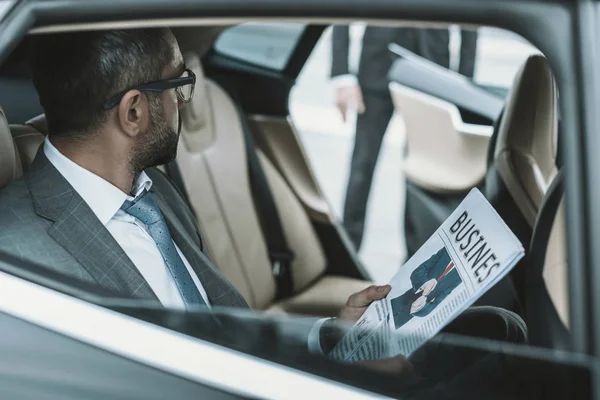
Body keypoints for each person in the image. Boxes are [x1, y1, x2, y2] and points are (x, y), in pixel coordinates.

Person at [0, 28, 391, 353]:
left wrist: (328, 336)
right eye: (180, 84)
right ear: (133, 112)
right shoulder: (19, 257)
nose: (184, 104)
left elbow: (223, 327)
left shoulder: (153, 193)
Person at [331, 25, 478, 250]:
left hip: (431, 71)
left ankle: (414, 261)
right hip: (377, 64)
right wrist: (342, 75)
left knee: (423, 170)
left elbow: (471, 15)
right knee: (362, 163)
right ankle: (348, 249)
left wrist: (464, 81)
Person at [390, 248, 461, 329]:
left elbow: (443, 296)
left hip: (403, 319)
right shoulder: (446, 251)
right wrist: (423, 284)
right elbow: (417, 272)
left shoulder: (461, 275)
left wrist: (421, 307)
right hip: (397, 302)